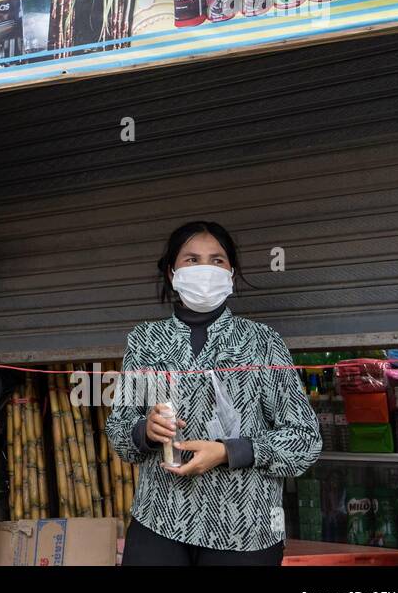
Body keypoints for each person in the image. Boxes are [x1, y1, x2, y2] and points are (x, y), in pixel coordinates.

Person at [104, 221, 321, 566]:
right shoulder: (145, 340)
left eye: (216, 260)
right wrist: (144, 430)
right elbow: (118, 431)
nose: (205, 269)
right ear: (171, 273)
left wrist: (229, 451)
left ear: (231, 273)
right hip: (159, 520)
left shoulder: (262, 342)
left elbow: (304, 441)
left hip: (244, 529)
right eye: (192, 260)